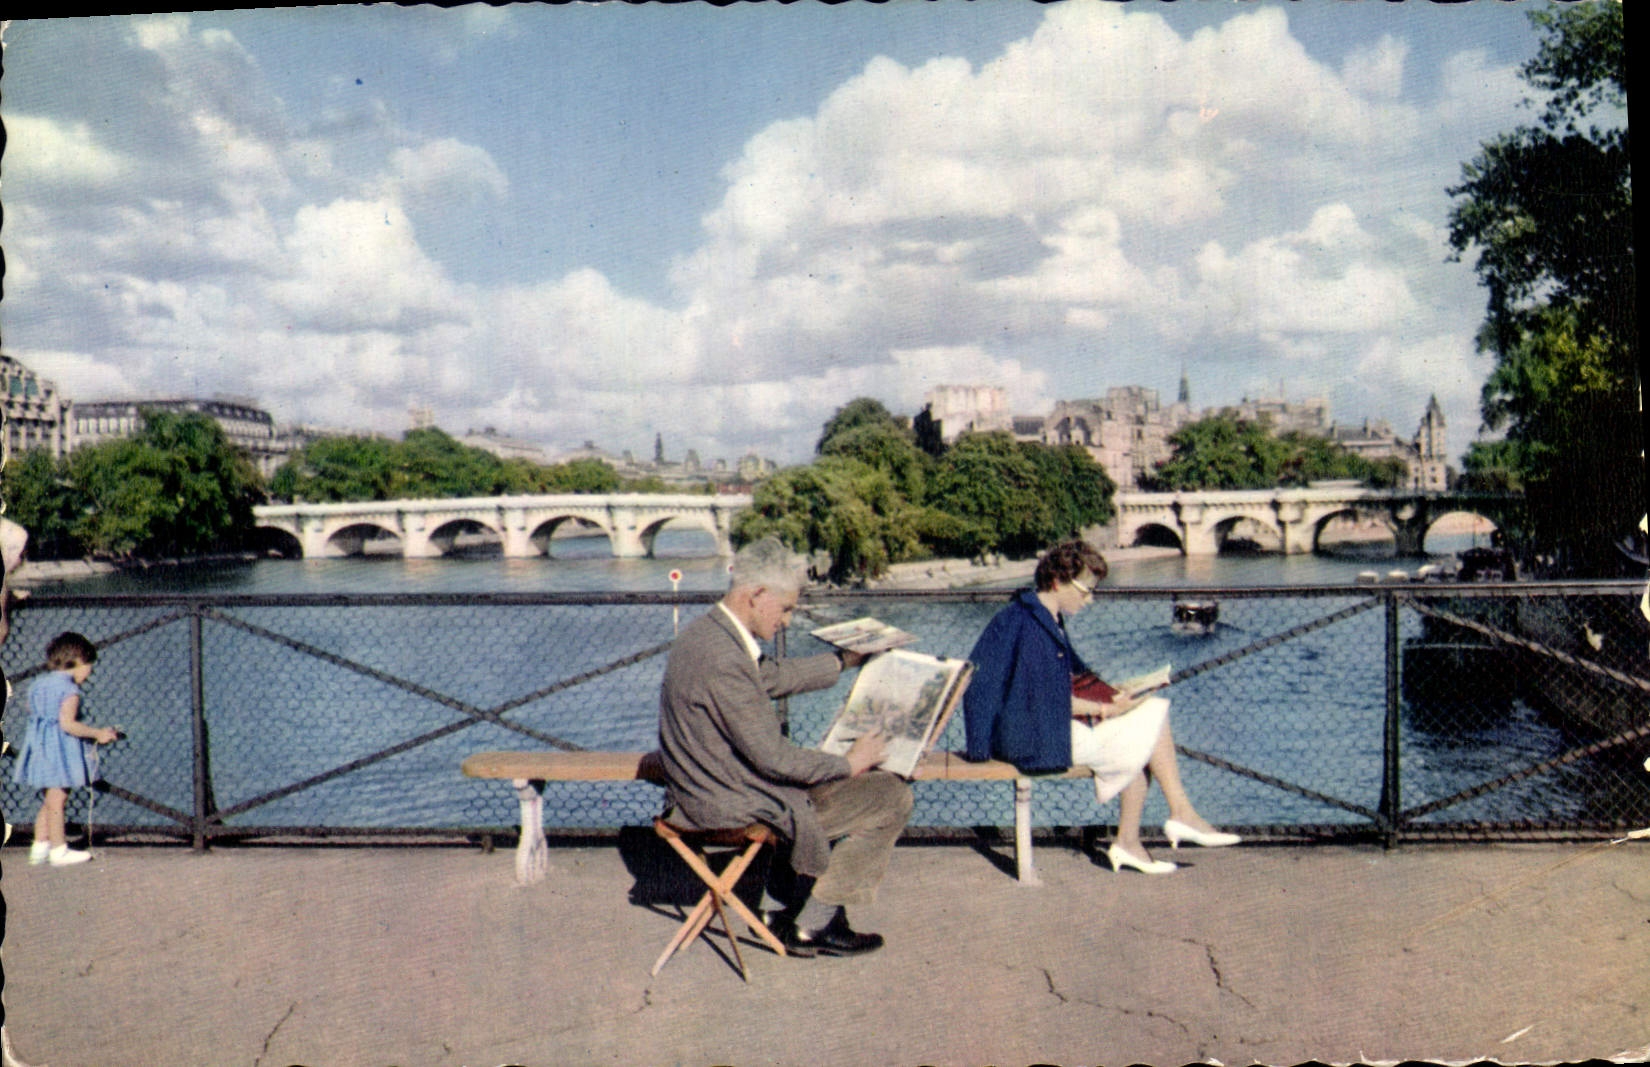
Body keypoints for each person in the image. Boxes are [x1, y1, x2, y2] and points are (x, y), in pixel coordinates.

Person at [656, 537, 913, 957]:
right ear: (756, 595)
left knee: (874, 788)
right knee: (892, 797)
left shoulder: (708, 635)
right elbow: (773, 758)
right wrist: (849, 763)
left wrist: (841, 662)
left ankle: (796, 907)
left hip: (710, 788)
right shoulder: (723, 657)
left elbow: (769, 678)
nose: (789, 621)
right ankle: (812, 922)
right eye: (787, 608)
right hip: (728, 803)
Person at [963, 539, 1238, 875]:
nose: (1089, 599)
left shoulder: (1035, 613)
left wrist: (1114, 695)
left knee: (1144, 728)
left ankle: (1137, 838)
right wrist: (1106, 710)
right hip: (1025, 739)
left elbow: (1067, 680)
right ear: (1056, 582)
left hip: (1025, 728)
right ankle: (1171, 819)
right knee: (1151, 719)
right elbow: (1047, 698)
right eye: (1085, 590)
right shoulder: (1033, 626)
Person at [13, 631, 119, 867]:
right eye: (89, 666)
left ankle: (39, 845)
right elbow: (68, 724)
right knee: (59, 798)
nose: (90, 673)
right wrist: (98, 733)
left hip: (38, 745)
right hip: (58, 750)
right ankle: (59, 849)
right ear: (79, 662)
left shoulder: (38, 684)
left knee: (50, 798)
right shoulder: (70, 691)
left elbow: (35, 711)